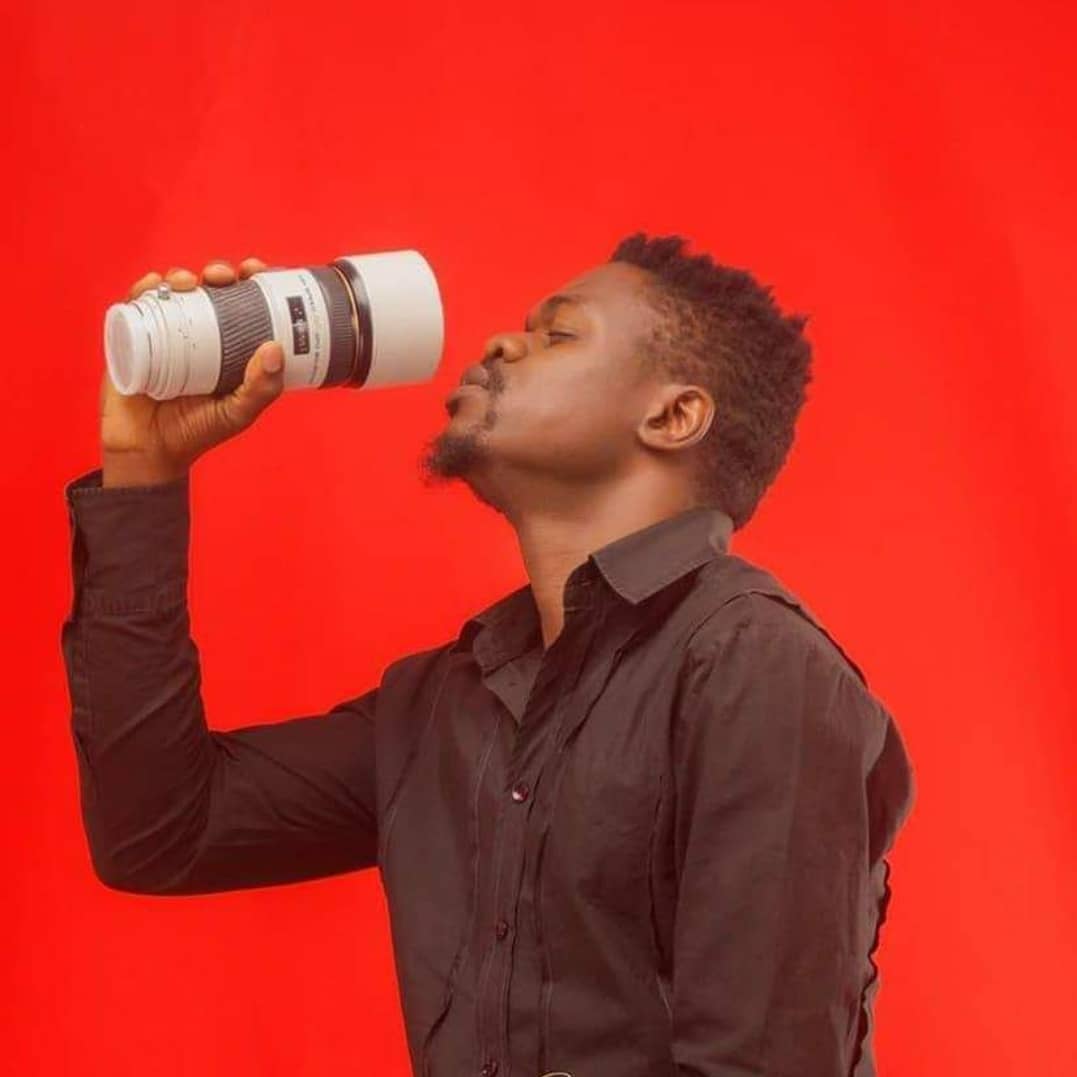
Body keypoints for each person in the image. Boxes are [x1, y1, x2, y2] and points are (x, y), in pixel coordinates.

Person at [61, 233, 916, 1077]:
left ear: (671, 415)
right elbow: (161, 833)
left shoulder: (752, 668)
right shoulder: (446, 701)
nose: (501, 343)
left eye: (557, 333)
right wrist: (142, 469)